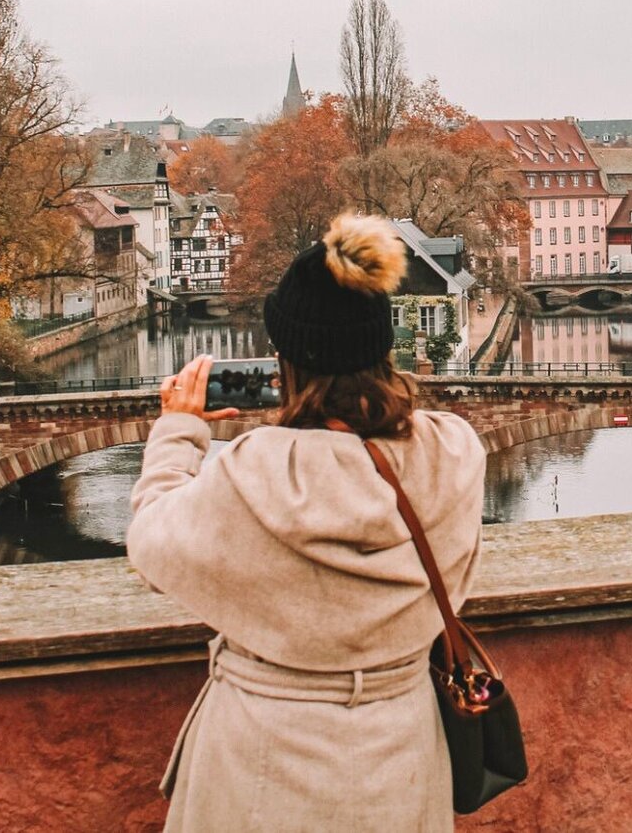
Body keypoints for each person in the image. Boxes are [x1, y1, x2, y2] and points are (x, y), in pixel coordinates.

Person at [127, 213, 486, 831]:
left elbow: (152, 543)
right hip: (401, 744)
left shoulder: (253, 473)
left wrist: (178, 429)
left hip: (265, 753)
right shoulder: (453, 454)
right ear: (381, 351)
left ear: (285, 362)